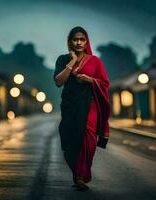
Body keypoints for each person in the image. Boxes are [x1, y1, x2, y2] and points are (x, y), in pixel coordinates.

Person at [53, 26, 110, 191]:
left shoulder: (95, 61)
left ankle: (80, 176)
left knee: (87, 136)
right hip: (70, 106)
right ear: (69, 42)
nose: (78, 42)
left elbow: (105, 83)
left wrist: (91, 80)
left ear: (86, 42)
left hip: (89, 104)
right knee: (68, 139)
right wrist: (72, 62)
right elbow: (58, 81)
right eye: (75, 39)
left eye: (82, 39)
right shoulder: (62, 59)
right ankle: (78, 171)